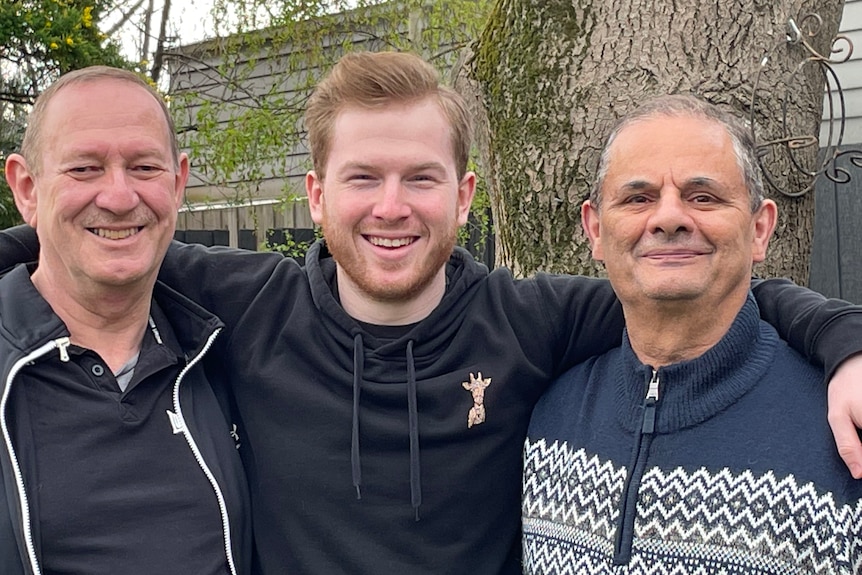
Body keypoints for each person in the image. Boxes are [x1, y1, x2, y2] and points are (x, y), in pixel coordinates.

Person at [1, 52, 862, 575]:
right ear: (316, 195)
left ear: (464, 195)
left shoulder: (532, 322)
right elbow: (90, 242)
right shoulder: (247, 305)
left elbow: (689, 281)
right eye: (363, 178)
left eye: (420, 178)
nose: (391, 208)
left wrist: (844, 340)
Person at [522, 95, 862, 573]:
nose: (668, 218)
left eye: (703, 196)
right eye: (637, 198)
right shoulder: (547, 412)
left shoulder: (843, 428)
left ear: (760, 228)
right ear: (595, 229)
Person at [0, 67, 250, 575]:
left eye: (143, 168)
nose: (118, 197)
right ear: (26, 188)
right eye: (84, 169)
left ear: (178, 183)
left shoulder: (225, 348)